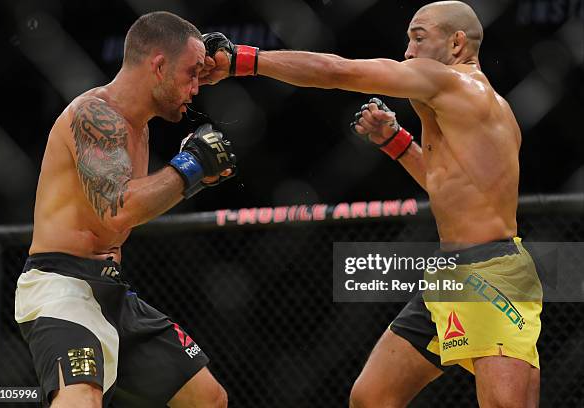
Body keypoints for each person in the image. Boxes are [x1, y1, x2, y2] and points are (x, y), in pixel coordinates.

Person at [201, 1, 542, 407]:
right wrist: (397, 144)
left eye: (419, 38)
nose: (409, 52)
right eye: (407, 40)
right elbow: (449, 188)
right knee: (371, 397)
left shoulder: (449, 82)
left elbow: (339, 72)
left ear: (456, 43)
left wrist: (244, 60)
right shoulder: (487, 108)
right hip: (451, 275)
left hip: (491, 275)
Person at [14, 11, 235, 408]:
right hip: (60, 285)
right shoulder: (95, 115)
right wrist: (191, 166)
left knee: (208, 398)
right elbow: (117, 211)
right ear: (158, 66)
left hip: (112, 290)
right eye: (190, 74)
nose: (196, 88)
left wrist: (198, 175)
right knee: (80, 400)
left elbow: (138, 202)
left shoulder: (140, 126)